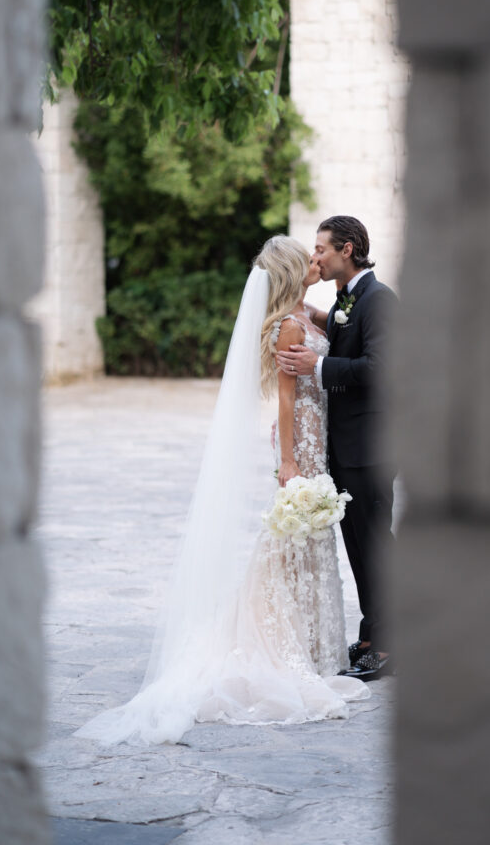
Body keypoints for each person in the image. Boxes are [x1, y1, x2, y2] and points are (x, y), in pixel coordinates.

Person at [75, 235, 368, 747]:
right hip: (302, 437)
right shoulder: (289, 324)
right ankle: (274, 641)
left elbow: (334, 332)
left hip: (318, 433)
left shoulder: (307, 314)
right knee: (292, 538)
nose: (315, 260)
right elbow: (285, 398)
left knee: (309, 542)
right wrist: (289, 460)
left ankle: (310, 642)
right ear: (292, 270)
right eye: (308, 257)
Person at [277, 216, 396, 679]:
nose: (316, 257)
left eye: (321, 249)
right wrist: (316, 317)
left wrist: (319, 365)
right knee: (360, 547)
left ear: (347, 250)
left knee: (375, 546)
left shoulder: (379, 299)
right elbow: (349, 337)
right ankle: (371, 636)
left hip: (371, 447)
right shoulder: (349, 300)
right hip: (346, 448)